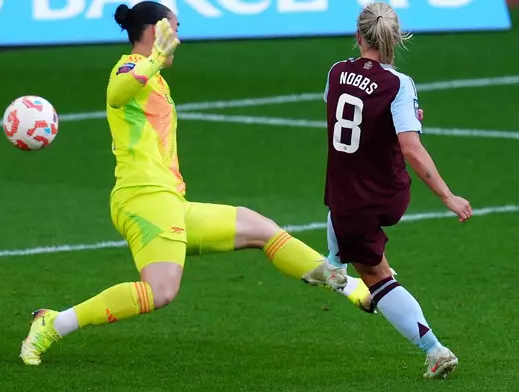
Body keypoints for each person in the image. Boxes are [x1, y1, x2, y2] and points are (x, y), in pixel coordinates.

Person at [20, 1, 373, 366]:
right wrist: (155, 56)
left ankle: (351, 287)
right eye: (174, 28)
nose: (179, 39)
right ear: (156, 31)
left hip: (169, 201)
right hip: (144, 199)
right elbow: (116, 93)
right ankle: (53, 323)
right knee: (161, 291)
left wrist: (155, 61)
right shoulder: (130, 67)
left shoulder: (154, 76)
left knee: (261, 229)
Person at [320, 2, 473, 379]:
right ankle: (333, 264)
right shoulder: (398, 84)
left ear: (358, 37)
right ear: (394, 40)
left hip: (359, 195)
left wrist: (447, 196)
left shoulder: (337, 72)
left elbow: (353, 116)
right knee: (342, 221)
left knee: (377, 278)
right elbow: (406, 140)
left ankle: (434, 349)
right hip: (384, 189)